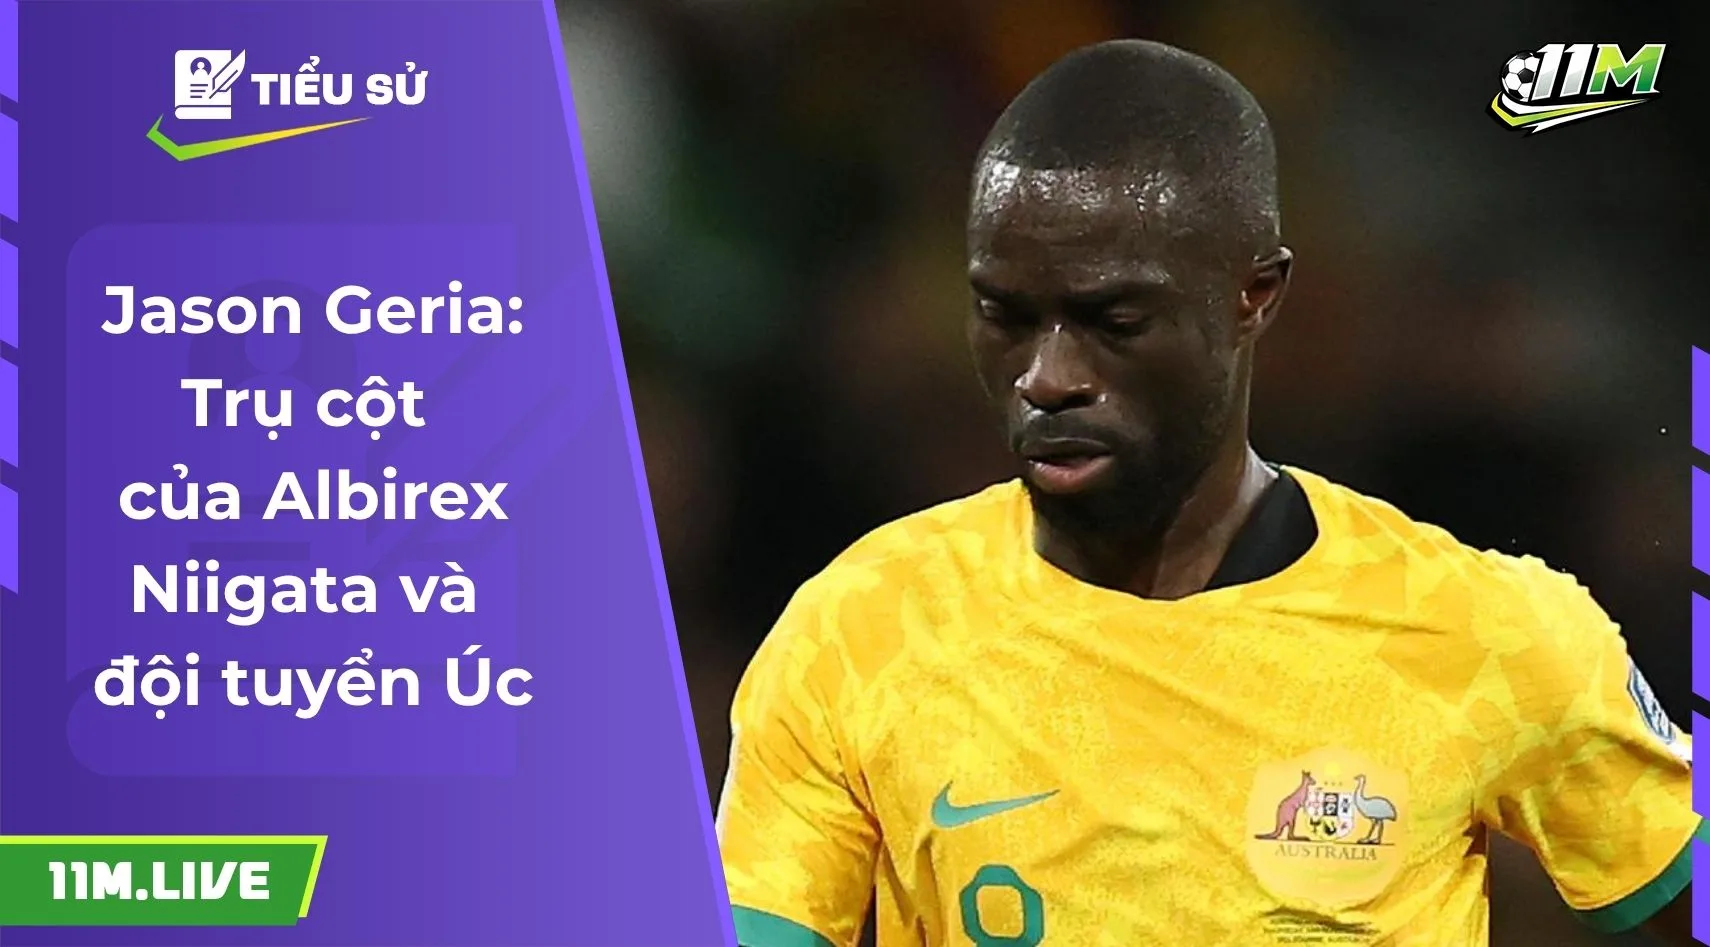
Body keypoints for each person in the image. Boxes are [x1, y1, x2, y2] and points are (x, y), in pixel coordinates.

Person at [712, 39, 1699, 947]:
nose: (1047, 376)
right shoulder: (860, 632)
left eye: (1114, 320)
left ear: (1252, 295)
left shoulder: (1487, 634)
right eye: (1004, 313)